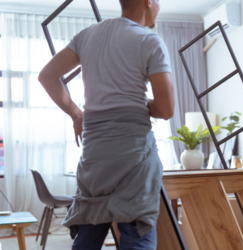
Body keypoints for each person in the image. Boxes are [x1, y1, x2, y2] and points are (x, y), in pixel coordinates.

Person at [38, 0, 174, 249]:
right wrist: (137, 103)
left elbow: (46, 76)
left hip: (95, 156)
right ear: (148, 2)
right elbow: (166, 109)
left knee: (89, 233)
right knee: (136, 234)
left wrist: (77, 114)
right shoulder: (149, 41)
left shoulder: (87, 35)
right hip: (133, 154)